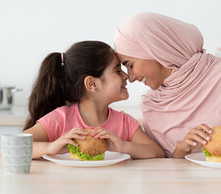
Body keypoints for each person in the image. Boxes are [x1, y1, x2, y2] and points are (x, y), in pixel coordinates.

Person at [114, 13, 221, 158]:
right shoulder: (151, 104)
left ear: (154, 49)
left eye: (130, 65)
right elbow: (165, 167)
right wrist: (182, 149)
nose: (131, 77)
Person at [23, 40, 165, 159]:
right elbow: (11, 147)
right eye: (117, 71)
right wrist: (51, 147)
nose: (126, 76)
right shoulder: (61, 118)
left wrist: (123, 146)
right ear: (92, 84)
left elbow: (157, 152)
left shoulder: (125, 122)